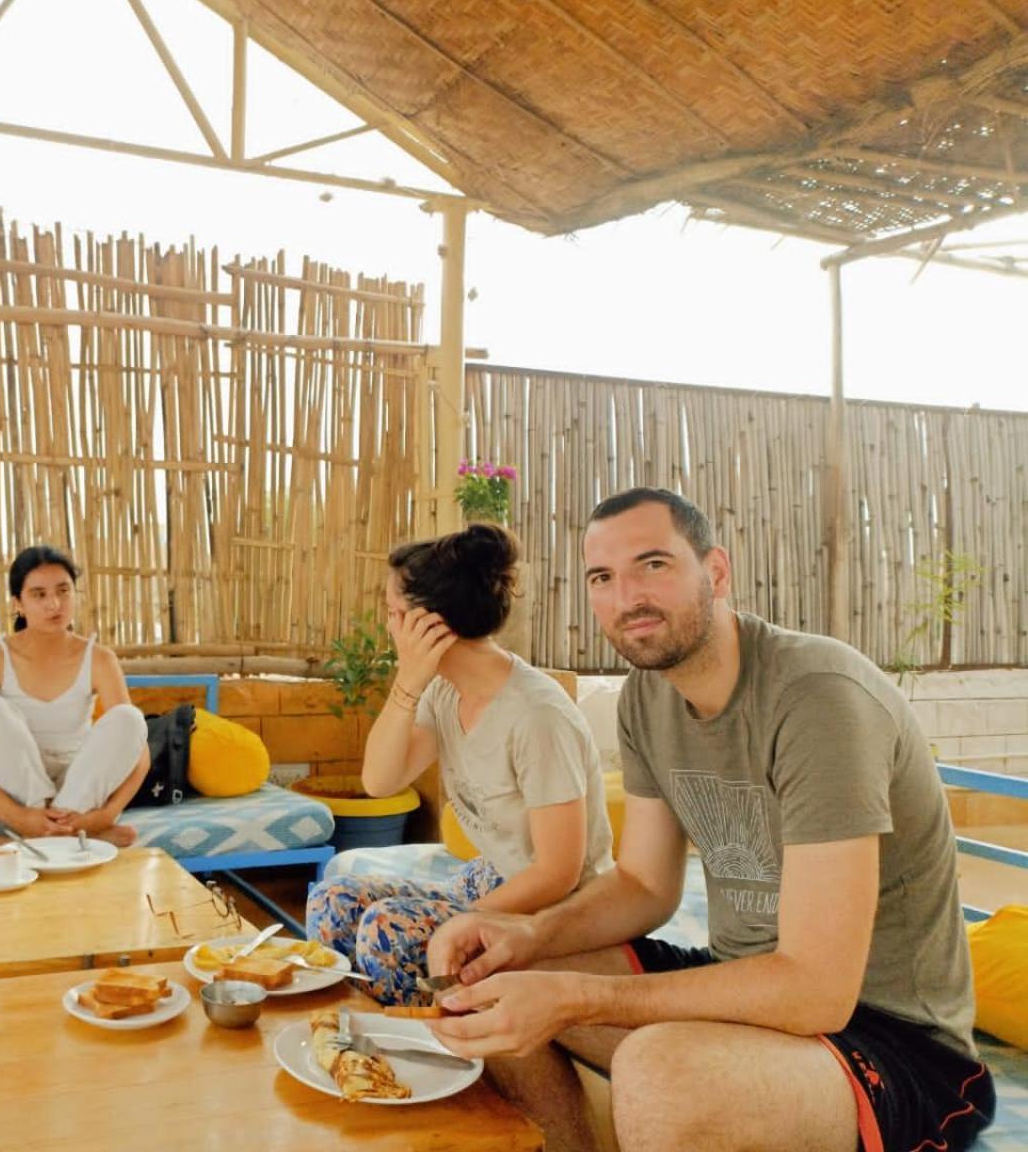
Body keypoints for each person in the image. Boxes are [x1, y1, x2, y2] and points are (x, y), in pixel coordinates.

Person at [424, 488, 994, 1152]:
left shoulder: (820, 700)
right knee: (488, 985)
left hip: (889, 1039)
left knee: (660, 1074)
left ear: (716, 571)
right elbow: (643, 883)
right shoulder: (648, 699)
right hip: (746, 985)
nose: (627, 596)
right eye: (603, 578)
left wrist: (576, 996)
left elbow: (817, 990)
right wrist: (523, 934)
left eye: (654, 565)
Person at [306, 524, 614, 1005]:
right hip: (496, 879)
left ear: (430, 623)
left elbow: (559, 872)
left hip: (559, 908)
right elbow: (380, 781)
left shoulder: (537, 716)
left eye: (393, 613)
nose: (389, 626)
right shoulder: (444, 691)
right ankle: (361, 1039)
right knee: (334, 898)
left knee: (387, 930)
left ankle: (431, 1053)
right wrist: (407, 684)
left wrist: (466, 919)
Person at [0, 545, 149, 854]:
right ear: (18, 604)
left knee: (130, 719)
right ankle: (66, 840)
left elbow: (138, 751)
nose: (54, 604)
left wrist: (103, 815)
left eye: (63, 591)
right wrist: (20, 817)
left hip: (77, 801)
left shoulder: (100, 659)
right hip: (0, 805)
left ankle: (25, 845)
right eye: (39, 594)